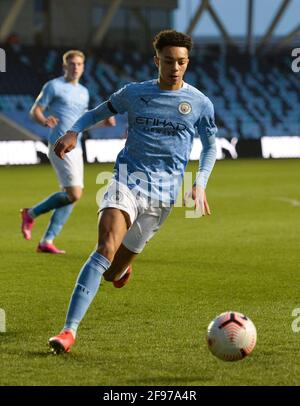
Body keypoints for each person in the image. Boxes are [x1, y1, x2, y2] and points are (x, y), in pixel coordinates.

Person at [48, 30, 217, 354]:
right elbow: (98, 111)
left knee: (113, 272)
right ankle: (68, 332)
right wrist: (73, 131)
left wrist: (200, 182)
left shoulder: (199, 103)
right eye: (168, 61)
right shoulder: (135, 93)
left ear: (188, 62)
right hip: (126, 181)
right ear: (157, 61)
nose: (175, 68)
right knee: (105, 247)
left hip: (163, 197)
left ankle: (122, 269)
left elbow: (210, 146)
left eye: (181, 62)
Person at [20, 50, 115, 253]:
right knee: (75, 193)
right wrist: (44, 120)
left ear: (83, 67)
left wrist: (102, 123)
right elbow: (35, 110)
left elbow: (80, 124)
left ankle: (47, 240)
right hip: (58, 144)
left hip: (76, 147)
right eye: (72, 64)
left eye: (79, 64)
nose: (76, 67)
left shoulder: (83, 91)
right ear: (64, 66)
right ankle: (31, 213)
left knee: (70, 194)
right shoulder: (53, 86)